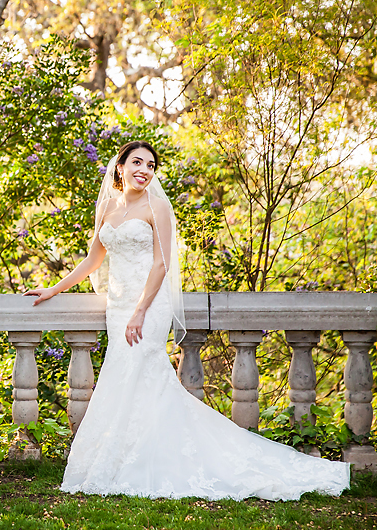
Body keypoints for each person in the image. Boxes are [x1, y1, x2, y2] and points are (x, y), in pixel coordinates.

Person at [23, 141, 350, 500]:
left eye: (150, 165)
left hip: (148, 306)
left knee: (139, 375)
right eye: (136, 162)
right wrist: (52, 290)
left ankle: (149, 461)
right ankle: (127, 458)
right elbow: (92, 261)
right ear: (120, 167)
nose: (144, 170)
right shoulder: (105, 207)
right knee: (125, 380)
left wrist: (140, 311)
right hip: (117, 307)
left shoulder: (157, 206)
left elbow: (162, 264)